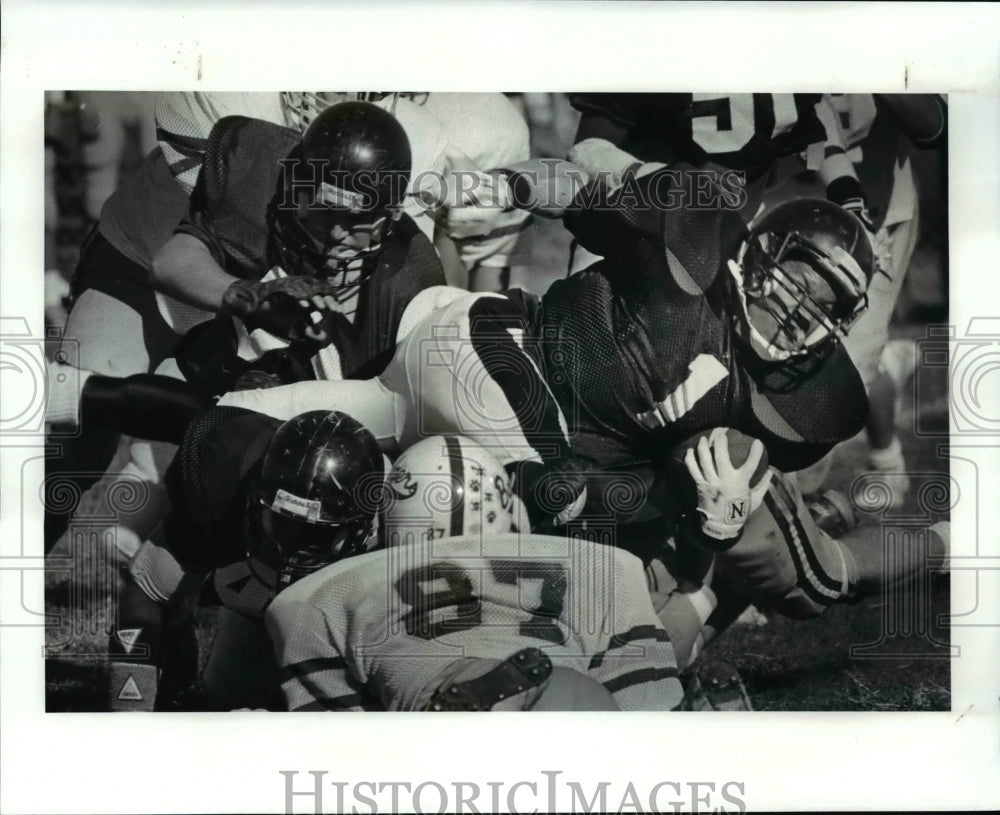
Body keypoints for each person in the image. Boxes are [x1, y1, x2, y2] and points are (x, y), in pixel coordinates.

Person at [266, 434, 685, 712]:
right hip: (560, 680)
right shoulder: (602, 565)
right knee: (584, 706)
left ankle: (477, 701)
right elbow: (651, 701)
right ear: (504, 509)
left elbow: (329, 734)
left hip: (433, 690)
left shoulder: (331, 591)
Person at [106, 408, 387, 711]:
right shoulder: (227, 482)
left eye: (314, 535)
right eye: (280, 523)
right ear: (255, 497)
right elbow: (144, 596)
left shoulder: (393, 535)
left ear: (360, 527)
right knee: (224, 699)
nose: (289, 546)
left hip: (347, 637)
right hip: (254, 595)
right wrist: (130, 712)